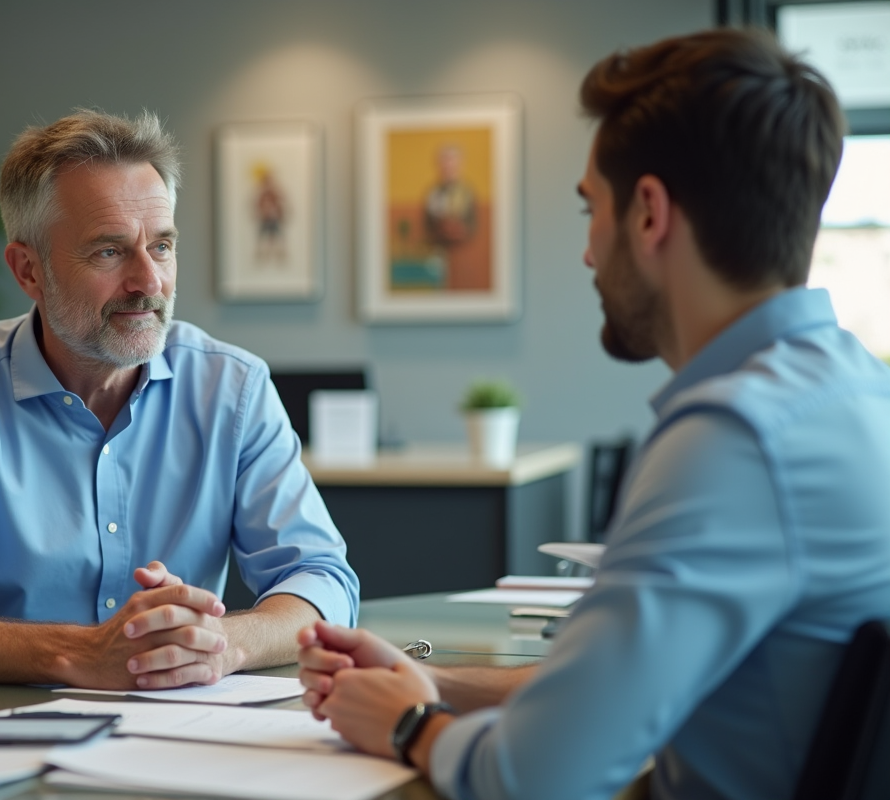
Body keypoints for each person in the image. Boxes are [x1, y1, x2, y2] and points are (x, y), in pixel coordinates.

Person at [298, 28, 890, 800]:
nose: (586, 253)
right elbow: (624, 699)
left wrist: (411, 726)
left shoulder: (733, 441)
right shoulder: (856, 391)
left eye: (591, 210)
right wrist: (433, 681)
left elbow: (537, 778)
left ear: (648, 214)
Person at [0, 109, 359, 690]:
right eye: (110, 252)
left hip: (184, 742)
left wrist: (218, 646)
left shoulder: (234, 389)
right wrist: (80, 653)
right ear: (28, 270)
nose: (149, 281)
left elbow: (320, 579)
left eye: (161, 246)